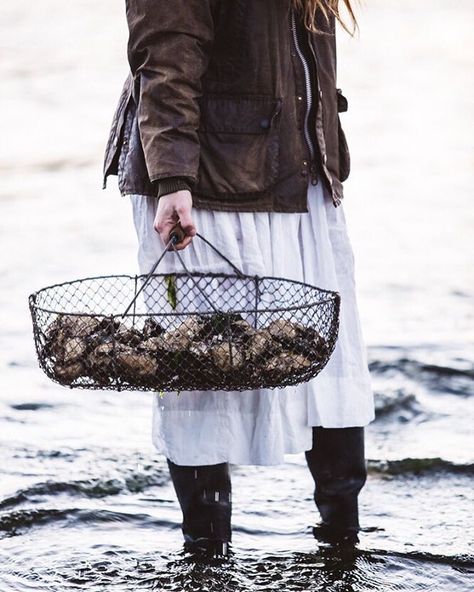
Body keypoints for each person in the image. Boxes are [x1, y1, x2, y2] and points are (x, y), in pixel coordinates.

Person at [102, 0, 374, 557]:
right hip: (205, 186)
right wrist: (173, 177)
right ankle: (205, 553)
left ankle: (343, 547)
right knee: (202, 366)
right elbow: (166, 52)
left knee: (327, 358)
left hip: (298, 173)